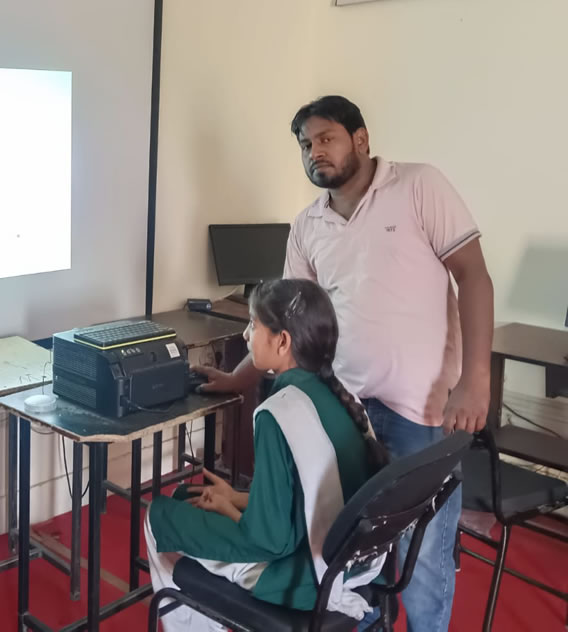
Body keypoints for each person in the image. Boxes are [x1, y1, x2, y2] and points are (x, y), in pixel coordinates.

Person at [195, 95, 494, 631]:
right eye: (306, 144)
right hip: (344, 412)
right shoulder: (307, 225)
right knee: (352, 551)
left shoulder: (418, 186)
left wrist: (474, 381)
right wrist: (240, 377)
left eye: (326, 138)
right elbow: (288, 318)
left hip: (422, 412)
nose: (315, 152)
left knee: (423, 558)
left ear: (361, 139)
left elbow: (474, 276)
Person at [146, 279, 389, 631]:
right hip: (349, 563)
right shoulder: (342, 397)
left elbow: (270, 541)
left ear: (282, 341)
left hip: (299, 578)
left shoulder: (277, 414)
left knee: (158, 516)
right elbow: (309, 497)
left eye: (253, 324)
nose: (247, 335)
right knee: (187, 496)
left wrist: (229, 509)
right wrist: (236, 499)